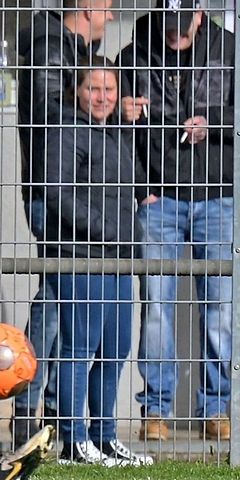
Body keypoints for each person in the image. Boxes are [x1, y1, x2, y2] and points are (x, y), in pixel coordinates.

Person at [118, 0, 235, 442]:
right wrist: (124, 116)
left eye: (182, 27)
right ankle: (156, 410)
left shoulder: (229, 51)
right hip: (159, 196)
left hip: (218, 196)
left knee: (221, 309)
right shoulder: (135, 55)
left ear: (200, 14)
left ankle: (217, 409)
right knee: (157, 307)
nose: (174, 36)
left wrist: (215, 124)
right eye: (168, 25)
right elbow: (110, 115)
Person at [12, 0, 114, 446]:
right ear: (88, 7)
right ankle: (29, 411)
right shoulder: (51, 45)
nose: (110, 19)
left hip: (66, 190)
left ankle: (47, 413)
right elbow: (54, 119)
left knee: (60, 299)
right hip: (57, 194)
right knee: (57, 299)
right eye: (107, 9)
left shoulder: (60, 44)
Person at [42, 58, 152, 467]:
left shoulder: (113, 132)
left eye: (109, 89)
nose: (103, 97)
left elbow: (133, 180)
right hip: (83, 257)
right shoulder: (66, 130)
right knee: (79, 348)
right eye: (94, 89)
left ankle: (104, 437)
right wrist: (106, 229)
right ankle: (74, 442)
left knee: (116, 349)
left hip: (120, 260)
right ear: (77, 91)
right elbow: (57, 193)